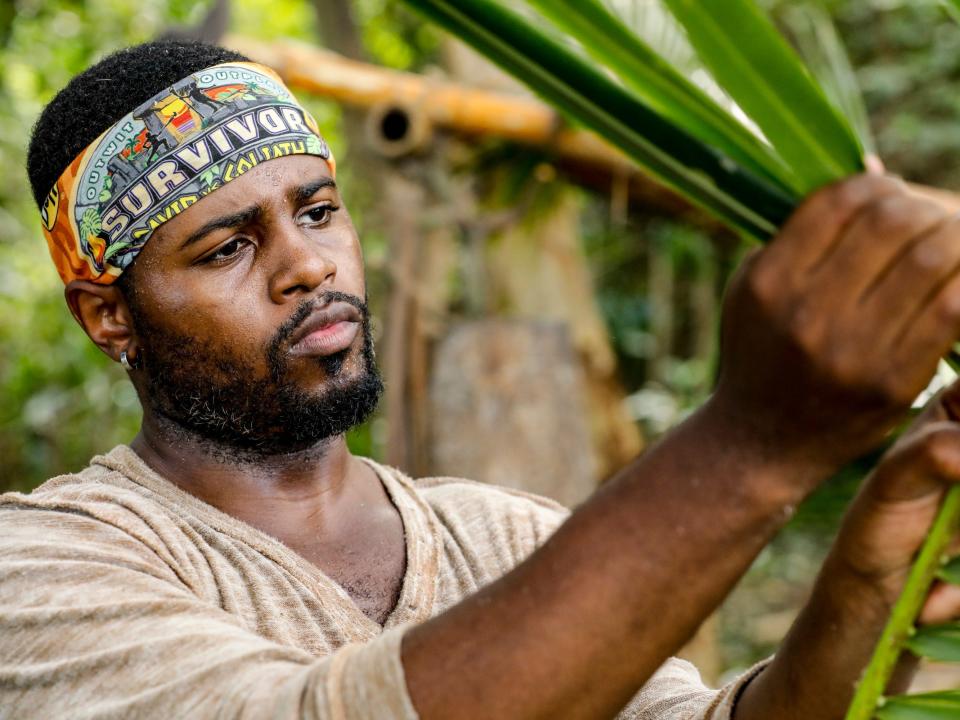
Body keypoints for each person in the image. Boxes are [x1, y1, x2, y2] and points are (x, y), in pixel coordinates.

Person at [4, 38, 960, 719]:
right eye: (226, 250)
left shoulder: (503, 535)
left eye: (321, 210)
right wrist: (756, 444)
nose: (309, 266)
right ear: (110, 315)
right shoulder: (43, 572)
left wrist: (866, 586)